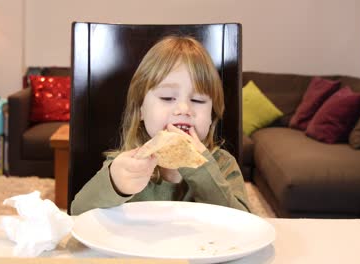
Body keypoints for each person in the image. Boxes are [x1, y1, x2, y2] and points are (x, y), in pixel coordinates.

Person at [71, 36, 251, 215]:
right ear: (141, 109)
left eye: (197, 100)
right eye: (167, 98)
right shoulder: (128, 163)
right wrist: (115, 183)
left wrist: (200, 167)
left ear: (212, 115)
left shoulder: (223, 164)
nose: (183, 109)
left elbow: (244, 225)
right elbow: (78, 213)